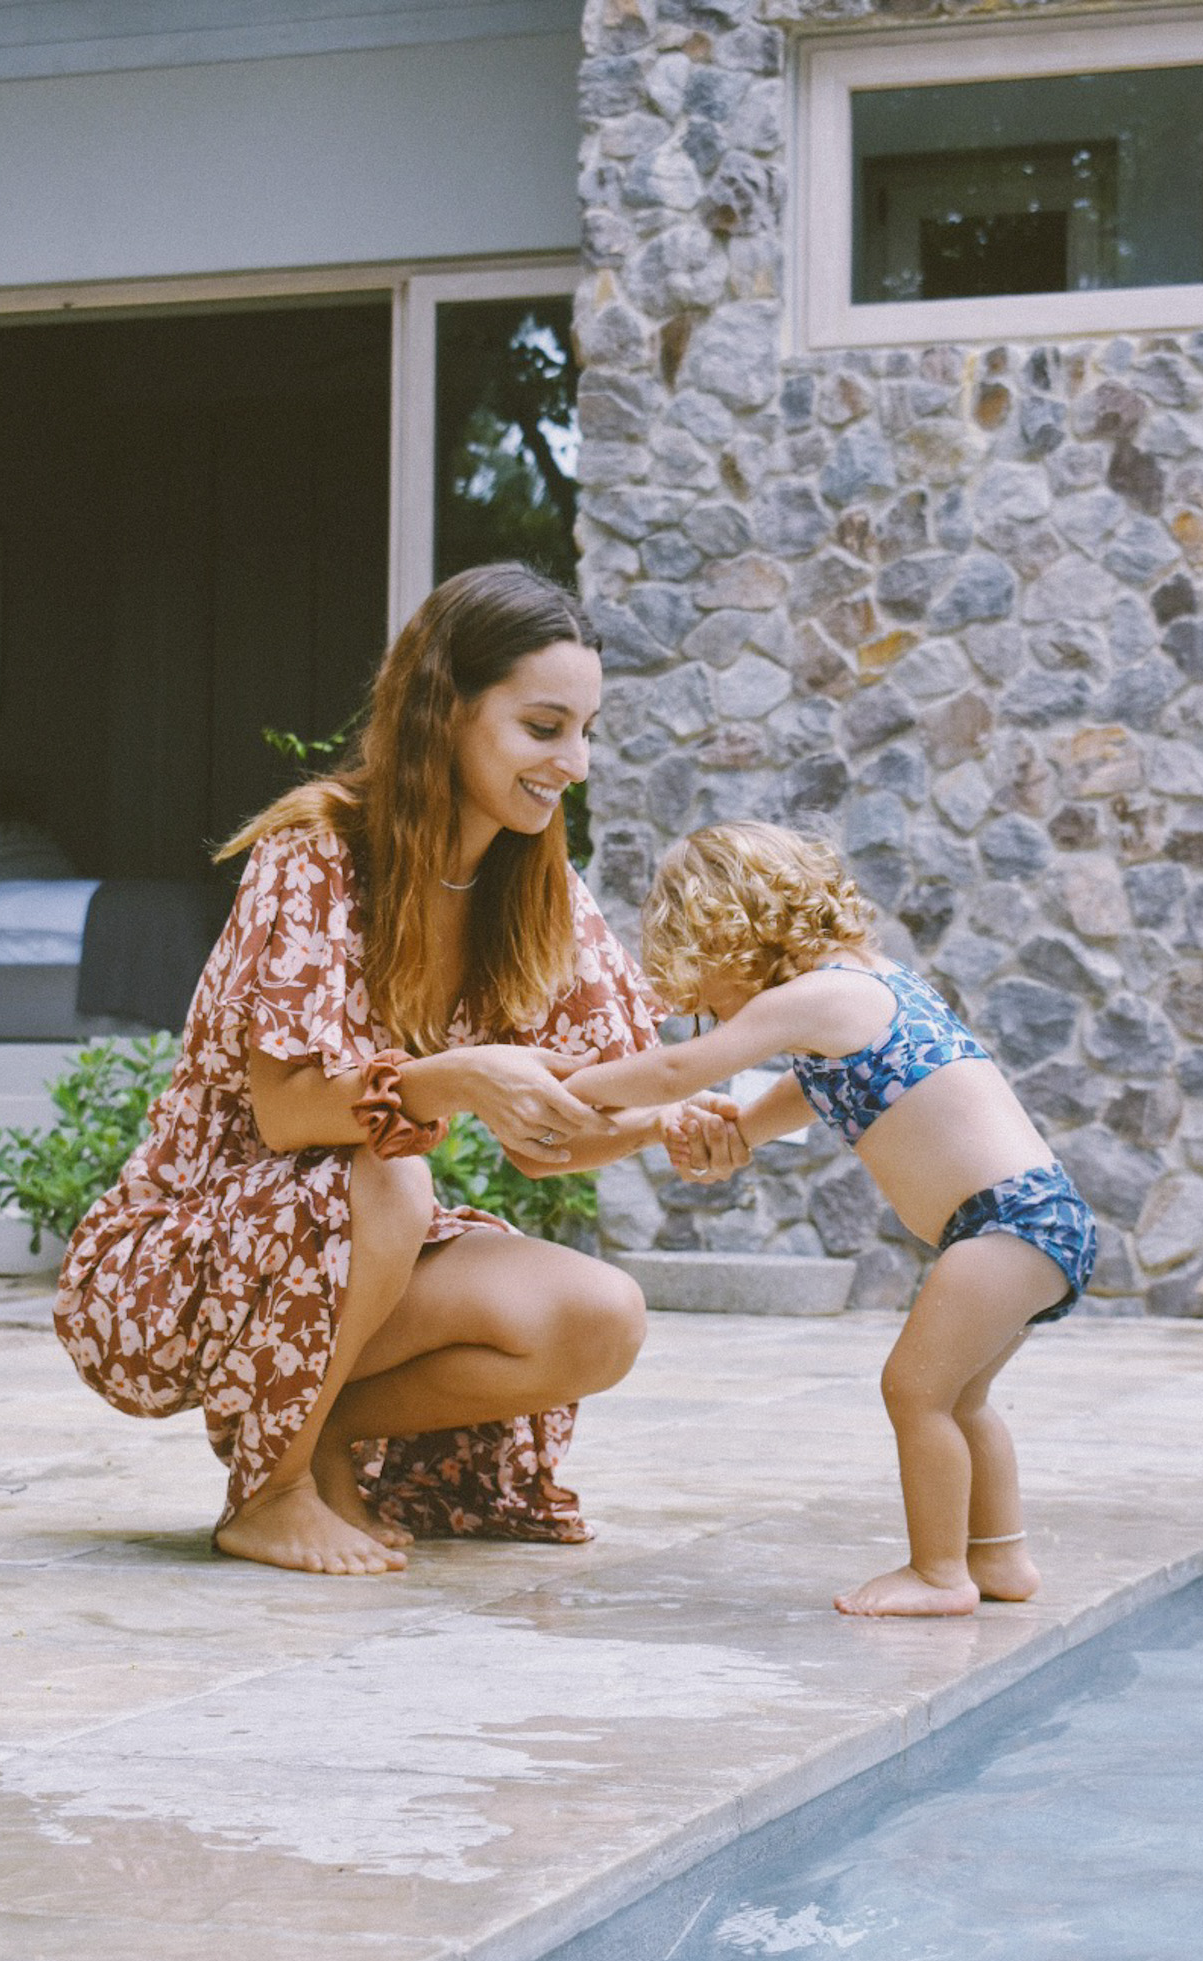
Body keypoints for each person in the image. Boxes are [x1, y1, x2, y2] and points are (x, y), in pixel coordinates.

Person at [54, 564, 743, 1575]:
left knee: (600, 1318)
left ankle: (318, 1428)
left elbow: (560, 1133)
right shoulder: (318, 850)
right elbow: (290, 1114)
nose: (574, 763)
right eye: (544, 727)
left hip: (364, 1243)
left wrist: (668, 1121)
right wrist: (461, 1075)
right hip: (176, 1258)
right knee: (390, 1173)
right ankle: (269, 1490)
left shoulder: (539, 887)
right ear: (444, 710)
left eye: (585, 731)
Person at [563, 820, 1097, 1619]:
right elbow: (804, 1095)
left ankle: (939, 1574)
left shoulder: (818, 995)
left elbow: (678, 1070)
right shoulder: (863, 988)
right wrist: (733, 1135)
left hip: (1005, 1226)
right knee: (960, 1397)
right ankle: (1001, 1558)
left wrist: (565, 1086)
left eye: (710, 997)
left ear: (728, 937)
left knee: (913, 1391)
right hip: (1034, 1221)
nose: (716, 1019)